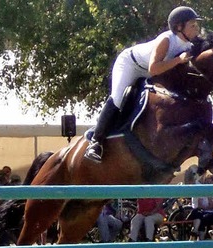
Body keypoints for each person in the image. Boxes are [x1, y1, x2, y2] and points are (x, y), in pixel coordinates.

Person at [85, 6, 203, 162]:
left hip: (152, 70)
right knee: (118, 98)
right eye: (192, 25)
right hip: (131, 64)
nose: (197, 28)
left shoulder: (190, 44)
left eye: (197, 25)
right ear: (179, 27)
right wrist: (178, 60)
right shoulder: (167, 40)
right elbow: (153, 69)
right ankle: (96, 143)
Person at [187, 174, 213, 240]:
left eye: (210, 182)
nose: (208, 184)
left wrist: (208, 195)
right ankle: (197, 235)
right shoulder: (202, 191)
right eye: (206, 182)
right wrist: (205, 207)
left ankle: (196, 235)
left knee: (201, 218)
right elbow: (200, 205)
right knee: (197, 212)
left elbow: (212, 206)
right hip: (204, 213)